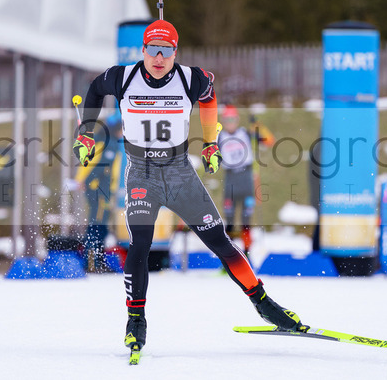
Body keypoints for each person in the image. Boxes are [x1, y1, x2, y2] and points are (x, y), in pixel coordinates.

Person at [72, 20, 301, 353]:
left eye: (166, 51)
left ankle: (264, 304)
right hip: (142, 174)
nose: (159, 58)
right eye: (153, 50)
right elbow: (95, 88)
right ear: (143, 50)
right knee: (140, 244)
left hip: (179, 173)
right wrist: (85, 133)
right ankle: (136, 320)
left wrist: (210, 143)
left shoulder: (190, 78)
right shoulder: (123, 77)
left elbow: (209, 97)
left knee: (219, 241)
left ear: (175, 52)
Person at [217, 106, 273, 255]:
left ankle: (247, 253)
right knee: (229, 219)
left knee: (246, 219)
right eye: (227, 120)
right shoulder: (220, 137)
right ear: (223, 121)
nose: (230, 123)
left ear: (237, 120)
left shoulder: (246, 134)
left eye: (233, 119)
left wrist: (258, 125)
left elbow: (269, 140)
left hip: (246, 179)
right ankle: (228, 256)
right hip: (230, 179)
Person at [74, 114, 123, 272]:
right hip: (100, 190)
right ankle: (93, 263)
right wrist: (87, 181)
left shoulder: (98, 140)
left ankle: (94, 261)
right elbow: (102, 167)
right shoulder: (110, 143)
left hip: (96, 189)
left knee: (97, 225)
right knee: (98, 226)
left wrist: (84, 181)